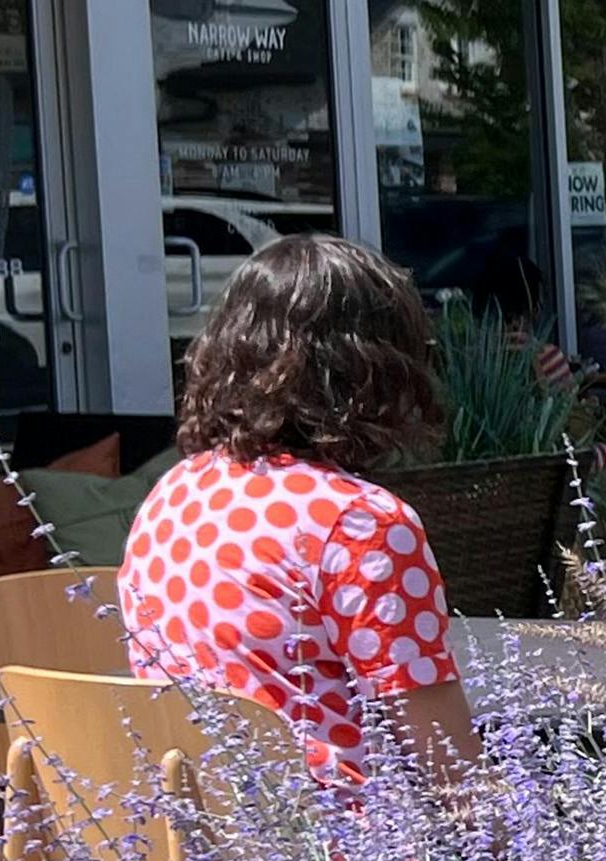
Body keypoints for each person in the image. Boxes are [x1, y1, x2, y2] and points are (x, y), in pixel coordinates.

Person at [116, 234, 471, 790]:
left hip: (195, 832)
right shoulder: (360, 523)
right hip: (333, 837)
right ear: (378, 370)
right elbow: (452, 774)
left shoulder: (174, 494)